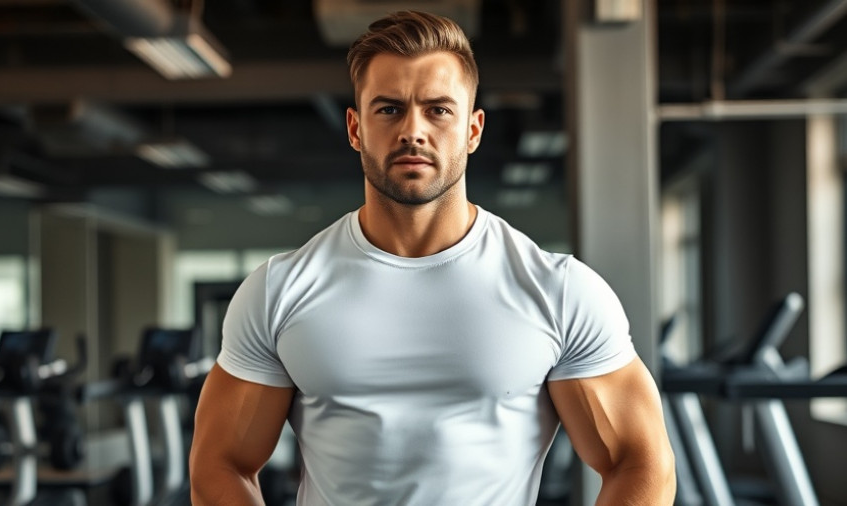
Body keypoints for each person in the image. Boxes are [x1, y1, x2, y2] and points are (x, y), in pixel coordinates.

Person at [190, 10, 675, 506]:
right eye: (389, 109)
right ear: (355, 128)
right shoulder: (280, 289)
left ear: (473, 129)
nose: (412, 131)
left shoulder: (558, 290)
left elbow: (640, 463)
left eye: (438, 110)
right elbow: (220, 463)